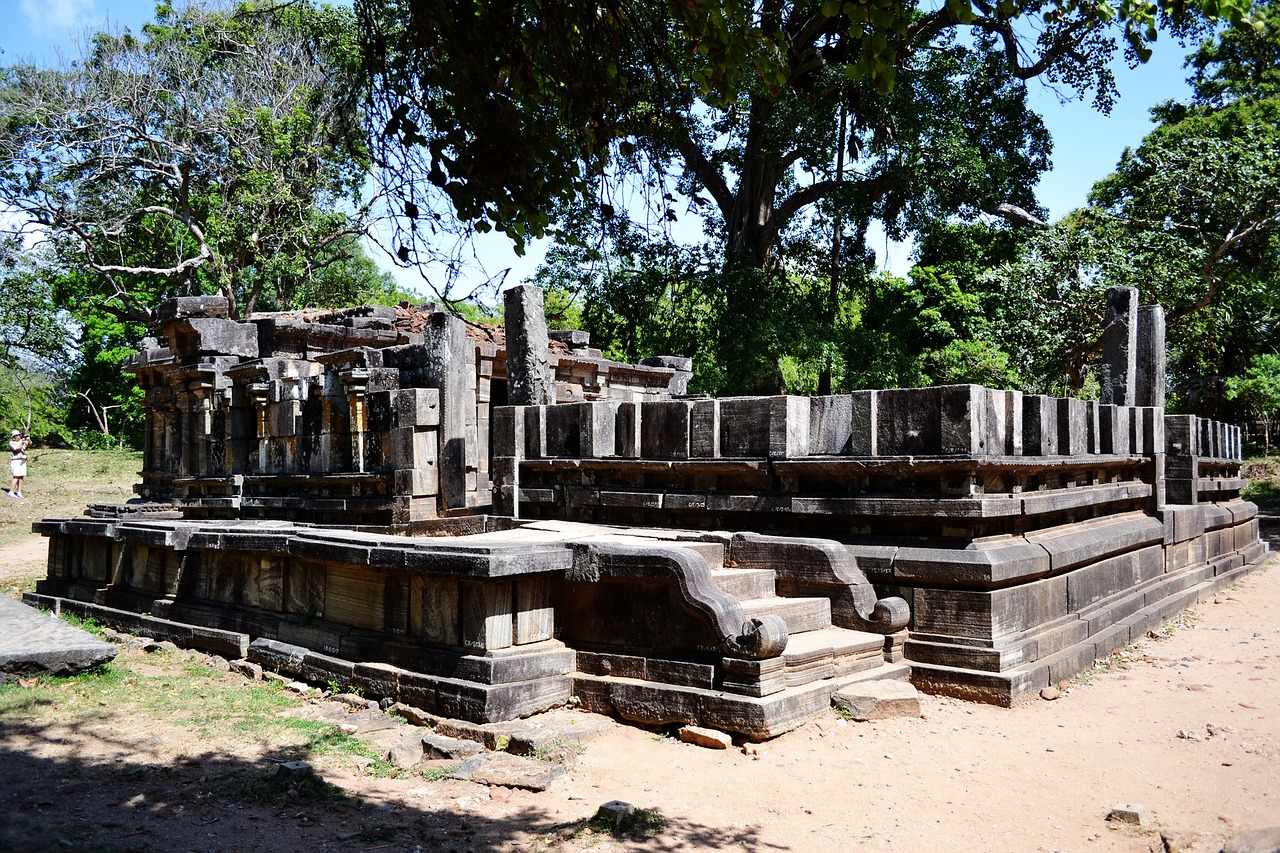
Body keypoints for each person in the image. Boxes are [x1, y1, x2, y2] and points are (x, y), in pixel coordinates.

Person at [9, 429, 30, 499]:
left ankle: (19, 492)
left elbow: (30, 444)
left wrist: (27, 439)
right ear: (13, 437)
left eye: (18, 435)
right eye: (16, 436)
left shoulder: (22, 441)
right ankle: (11, 491)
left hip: (22, 460)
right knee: (16, 477)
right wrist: (22, 441)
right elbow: (17, 449)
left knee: (21, 477)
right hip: (15, 461)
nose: (18, 437)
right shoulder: (11, 443)